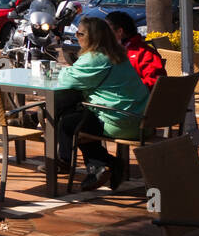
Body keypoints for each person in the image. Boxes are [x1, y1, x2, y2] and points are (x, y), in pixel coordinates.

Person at [53, 16, 149, 191]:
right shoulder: (117, 54)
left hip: (120, 121)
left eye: (80, 33)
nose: (76, 37)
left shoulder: (95, 58)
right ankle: (95, 165)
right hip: (142, 119)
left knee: (67, 119)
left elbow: (66, 81)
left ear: (92, 37)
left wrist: (64, 71)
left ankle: (71, 161)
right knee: (70, 111)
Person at [106, 10, 166, 89]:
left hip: (136, 98)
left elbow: (157, 82)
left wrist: (127, 84)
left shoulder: (145, 53)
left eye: (107, 31)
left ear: (119, 32)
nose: (104, 34)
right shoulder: (111, 50)